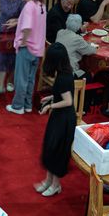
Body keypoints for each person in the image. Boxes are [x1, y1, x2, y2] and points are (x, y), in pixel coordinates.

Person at [35, 43, 77, 197]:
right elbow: (62, 95)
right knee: (50, 148)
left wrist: (49, 106)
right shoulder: (63, 72)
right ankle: (48, 181)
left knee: (57, 151)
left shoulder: (64, 77)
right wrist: (51, 96)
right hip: (59, 117)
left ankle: (56, 185)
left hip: (64, 119)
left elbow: (68, 101)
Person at [7, 0, 47, 115]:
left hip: (27, 47)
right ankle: (27, 104)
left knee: (21, 79)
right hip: (38, 48)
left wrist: (23, 42)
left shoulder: (29, 6)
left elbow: (28, 27)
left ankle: (18, 106)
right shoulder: (41, 5)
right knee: (30, 79)